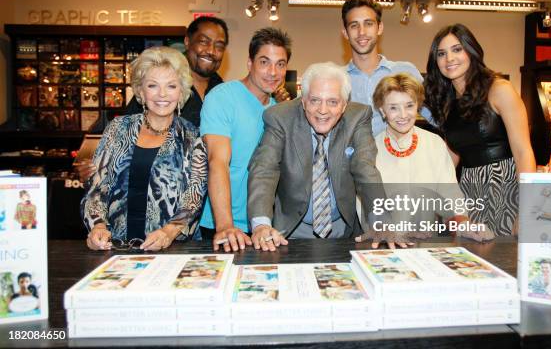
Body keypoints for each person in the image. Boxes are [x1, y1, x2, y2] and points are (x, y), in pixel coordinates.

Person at [247, 62, 410, 251]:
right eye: (315, 100)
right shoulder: (279, 117)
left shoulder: (358, 116)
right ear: (303, 100)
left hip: (343, 231)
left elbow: (365, 168)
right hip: (290, 232)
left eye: (332, 102)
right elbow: (264, 169)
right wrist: (260, 224)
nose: (323, 110)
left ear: (344, 105)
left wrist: (381, 220)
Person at [81, 46, 208, 251]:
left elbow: (193, 199)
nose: (162, 94)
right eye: (153, 85)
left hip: (173, 249)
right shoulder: (118, 128)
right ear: (140, 90)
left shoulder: (193, 137)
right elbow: (97, 188)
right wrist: (98, 226)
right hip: (116, 248)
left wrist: (168, 232)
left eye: (171, 86)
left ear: (182, 90)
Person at [76, 16, 229, 181]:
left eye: (219, 46)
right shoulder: (155, 88)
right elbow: (123, 136)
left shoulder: (224, 93)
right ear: (187, 41)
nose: (211, 51)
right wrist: (94, 167)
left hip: (206, 193)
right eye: (204, 42)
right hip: (153, 189)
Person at [424, 23, 536, 236]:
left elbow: (523, 152)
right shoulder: (447, 102)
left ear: (471, 51)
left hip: (505, 185)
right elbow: (450, 160)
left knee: (505, 259)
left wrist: (528, 209)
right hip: (468, 188)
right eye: (441, 53)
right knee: (471, 260)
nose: (449, 59)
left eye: (457, 49)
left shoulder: (499, 89)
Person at [370, 73, 493, 241]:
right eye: (393, 108)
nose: (403, 115)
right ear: (382, 110)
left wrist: (464, 225)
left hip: (426, 244)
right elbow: (367, 205)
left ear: (418, 107)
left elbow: (450, 196)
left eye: (409, 105)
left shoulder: (434, 144)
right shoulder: (370, 150)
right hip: (384, 245)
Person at [200, 28, 291, 252]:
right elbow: (217, 162)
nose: (273, 72)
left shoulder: (278, 112)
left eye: (280, 64)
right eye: (264, 62)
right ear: (249, 63)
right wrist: (225, 226)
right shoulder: (222, 98)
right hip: (221, 225)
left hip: (262, 225)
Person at [341, 0, 430, 136]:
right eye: (354, 25)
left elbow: (435, 117)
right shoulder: (337, 80)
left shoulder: (405, 71)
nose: (361, 32)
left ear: (380, 28)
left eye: (368, 23)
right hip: (352, 158)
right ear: (345, 33)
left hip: (399, 157)